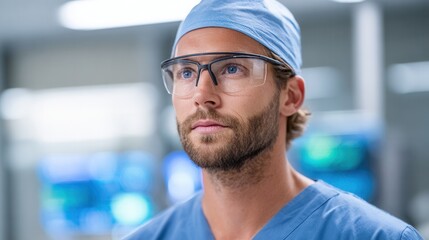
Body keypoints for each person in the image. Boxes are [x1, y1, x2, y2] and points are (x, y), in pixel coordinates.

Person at [123, 0, 423, 239]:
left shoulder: (373, 236)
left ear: (290, 96)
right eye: (186, 72)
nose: (202, 95)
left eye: (232, 69)